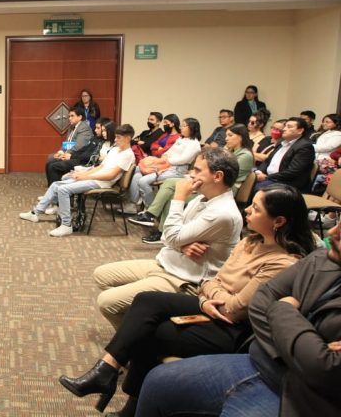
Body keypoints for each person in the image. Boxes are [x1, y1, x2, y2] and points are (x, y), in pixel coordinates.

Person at [59, 184, 314, 417]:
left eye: (256, 208)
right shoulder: (250, 241)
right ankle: (111, 375)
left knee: (151, 330)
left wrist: (212, 291)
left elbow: (236, 309)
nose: (247, 209)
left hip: (236, 330)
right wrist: (208, 295)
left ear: (278, 221)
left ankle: (114, 383)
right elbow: (211, 280)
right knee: (146, 302)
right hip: (212, 306)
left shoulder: (283, 262)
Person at [135, 222, 340, 417]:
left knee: (157, 326)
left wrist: (283, 309)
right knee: (157, 381)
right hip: (258, 361)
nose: (331, 232)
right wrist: (308, 348)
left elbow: (323, 370)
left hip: (308, 397)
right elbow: (260, 302)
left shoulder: (288, 259)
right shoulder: (320, 259)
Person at [93, 148, 243, 329]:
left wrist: (179, 198)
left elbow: (171, 235)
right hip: (167, 262)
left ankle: (138, 343)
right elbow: (166, 235)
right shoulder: (202, 198)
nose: (191, 175)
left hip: (184, 279)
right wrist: (181, 246)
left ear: (217, 176)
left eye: (197, 170)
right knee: (101, 275)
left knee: (106, 302)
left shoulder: (223, 213)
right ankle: (144, 319)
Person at [130, 124, 254, 244]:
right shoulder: (229, 151)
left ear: (241, 136)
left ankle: (156, 222)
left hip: (223, 189)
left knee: (174, 193)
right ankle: (157, 222)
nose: (226, 139)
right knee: (170, 186)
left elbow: (227, 177)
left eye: (230, 135)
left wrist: (195, 178)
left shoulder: (244, 156)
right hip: (212, 184)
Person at [20, 124, 134, 237]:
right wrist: (83, 174)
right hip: (94, 178)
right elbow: (100, 167)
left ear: (128, 138)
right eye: (116, 136)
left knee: (63, 189)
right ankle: (36, 213)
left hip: (101, 183)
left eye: (118, 137)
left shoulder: (128, 155)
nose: (115, 139)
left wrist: (86, 177)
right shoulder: (115, 150)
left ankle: (66, 225)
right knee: (55, 184)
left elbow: (110, 175)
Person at [124, 117, 201, 213]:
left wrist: (166, 160)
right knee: (136, 172)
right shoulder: (181, 139)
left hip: (177, 170)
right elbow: (169, 152)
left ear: (192, 128)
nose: (181, 128)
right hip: (166, 165)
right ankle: (133, 204)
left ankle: (150, 211)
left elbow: (184, 159)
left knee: (143, 181)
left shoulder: (195, 144)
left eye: (184, 126)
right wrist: (163, 158)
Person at [254, 116, 315, 191]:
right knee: (246, 180)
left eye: (289, 127)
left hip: (287, 183)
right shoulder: (281, 142)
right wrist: (259, 172)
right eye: (285, 126)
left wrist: (267, 177)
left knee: (258, 188)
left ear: (300, 131)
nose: (284, 129)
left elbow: (293, 172)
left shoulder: (305, 147)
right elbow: (267, 161)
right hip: (271, 178)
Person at [44, 108, 95, 184]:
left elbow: (78, 146)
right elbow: (68, 142)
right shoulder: (71, 127)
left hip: (77, 157)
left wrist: (65, 155)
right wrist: (61, 151)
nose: (69, 118)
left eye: (72, 116)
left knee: (52, 164)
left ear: (80, 117)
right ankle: (51, 188)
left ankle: (56, 189)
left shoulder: (84, 128)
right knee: (50, 160)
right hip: (69, 153)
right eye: (69, 116)